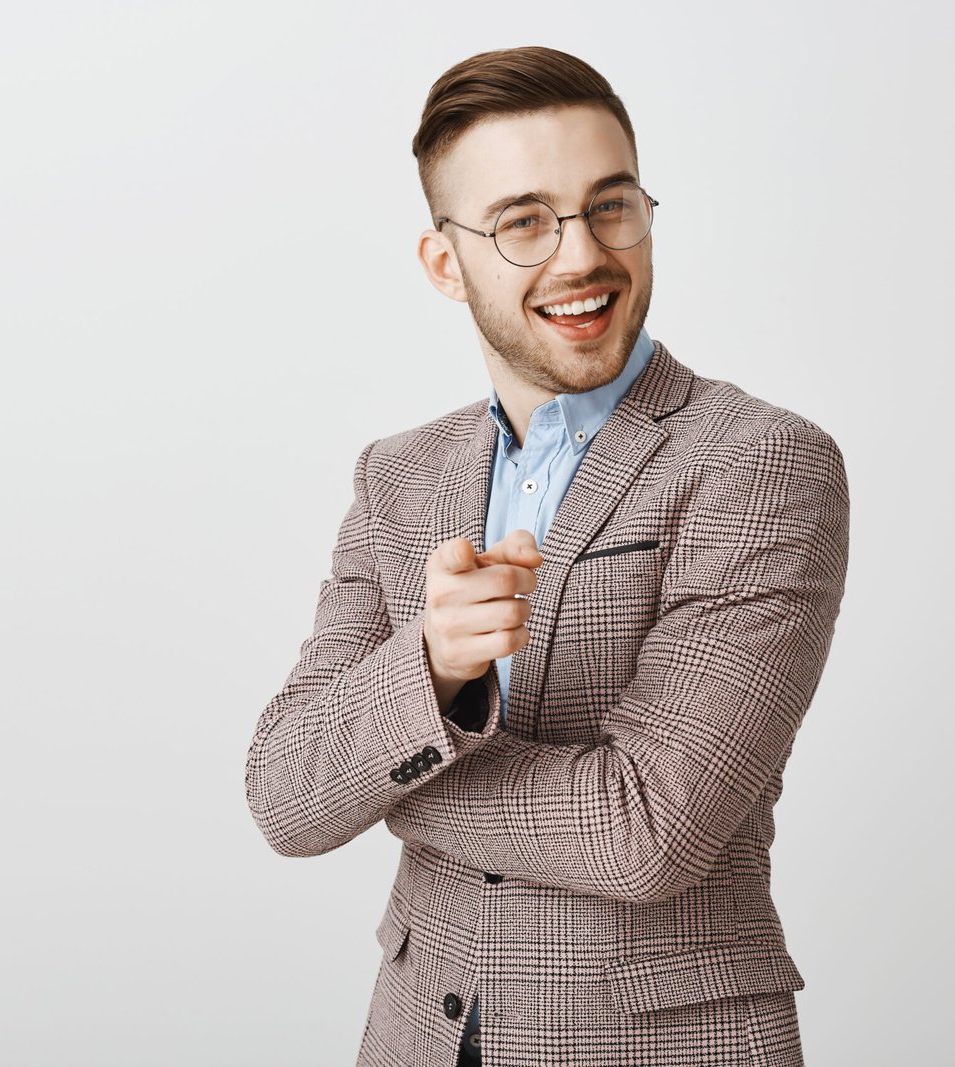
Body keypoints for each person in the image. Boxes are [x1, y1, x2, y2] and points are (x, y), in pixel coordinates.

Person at [243, 46, 850, 1067]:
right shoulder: (397, 479)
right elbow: (281, 795)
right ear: (447, 263)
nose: (581, 255)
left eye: (610, 205)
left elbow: (644, 828)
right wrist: (432, 667)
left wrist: (387, 776)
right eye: (523, 221)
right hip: (416, 1037)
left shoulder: (761, 463)